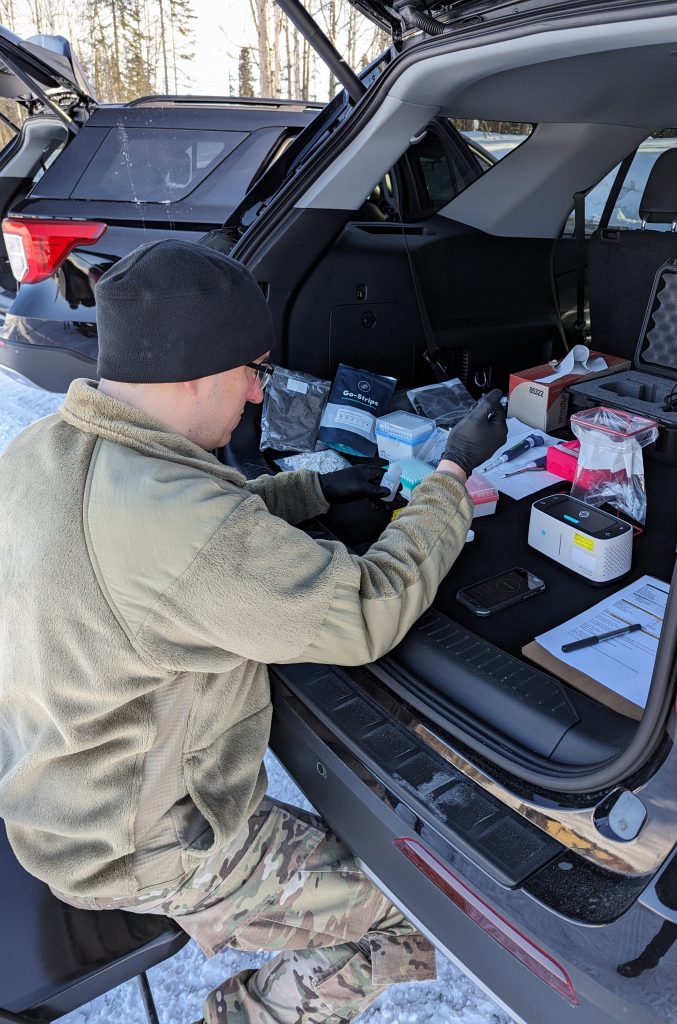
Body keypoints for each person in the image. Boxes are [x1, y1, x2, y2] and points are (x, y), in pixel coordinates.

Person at [0, 239, 507, 1024]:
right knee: (424, 911)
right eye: (253, 373)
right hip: (144, 849)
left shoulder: (45, 450)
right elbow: (367, 609)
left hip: (60, 793)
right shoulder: (185, 526)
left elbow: (174, 549)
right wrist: (448, 478)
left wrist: (306, 488)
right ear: (197, 373)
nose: (257, 397)